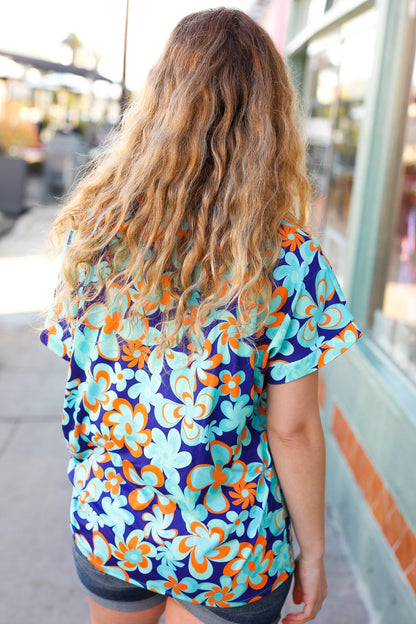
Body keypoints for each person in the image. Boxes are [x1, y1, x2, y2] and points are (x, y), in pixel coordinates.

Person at [40, 8, 362, 624]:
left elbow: (80, 373)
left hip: (115, 522)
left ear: (160, 105)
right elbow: (291, 430)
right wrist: (314, 553)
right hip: (228, 548)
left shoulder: (95, 234)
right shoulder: (288, 259)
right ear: (270, 121)